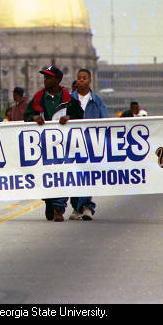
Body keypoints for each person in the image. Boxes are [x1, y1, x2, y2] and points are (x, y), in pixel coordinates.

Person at [24, 65, 83, 221]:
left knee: (62, 175)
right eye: (44, 77)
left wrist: (70, 118)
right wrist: (33, 118)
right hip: (43, 146)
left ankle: (59, 207)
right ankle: (50, 202)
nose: (45, 80)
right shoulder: (38, 98)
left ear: (57, 80)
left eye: (48, 77)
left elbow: (80, 116)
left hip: (63, 147)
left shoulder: (68, 99)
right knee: (45, 176)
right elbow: (27, 115)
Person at [68, 68, 109, 221]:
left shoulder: (97, 100)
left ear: (90, 80)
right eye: (79, 78)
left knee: (86, 174)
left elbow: (104, 120)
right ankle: (78, 206)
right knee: (73, 175)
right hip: (73, 142)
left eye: (84, 78)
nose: (81, 80)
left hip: (91, 142)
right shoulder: (68, 99)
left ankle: (86, 207)